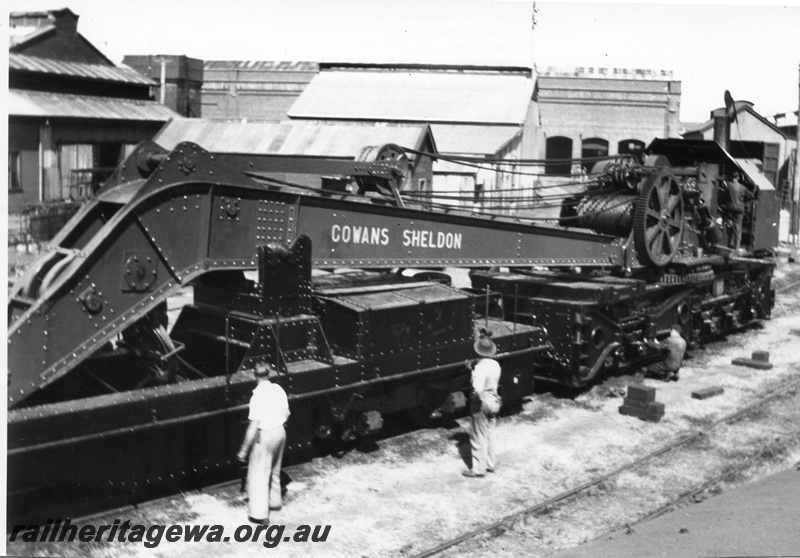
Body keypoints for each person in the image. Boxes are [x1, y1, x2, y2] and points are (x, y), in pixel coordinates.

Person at [237, 361, 290, 524]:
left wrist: (243, 451)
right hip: (280, 432)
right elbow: (287, 413)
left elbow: (253, 427)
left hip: (265, 435)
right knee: (275, 469)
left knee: (259, 474)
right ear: (270, 373)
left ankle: (259, 516)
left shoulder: (257, 396)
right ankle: (275, 502)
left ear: (255, 376)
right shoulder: (278, 389)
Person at [463, 333, 502, 478]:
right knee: (490, 433)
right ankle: (491, 464)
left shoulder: (479, 368)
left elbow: (477, 389)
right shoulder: (496, 365)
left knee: (478, 435)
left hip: (483, 400)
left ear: (477, 351)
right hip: (495, 399)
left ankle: (479, 469)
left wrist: (474, 402)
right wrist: (472, 370)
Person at [722, 172, 752, 251]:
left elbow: (723, 194)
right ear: (738, 178)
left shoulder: (728, 185)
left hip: (729, 208)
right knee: (737, 227)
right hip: (739, 209)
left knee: (727, 224)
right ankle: (737, 247)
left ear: (731, 177)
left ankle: (729, 243)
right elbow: (751, 195)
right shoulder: (743, 187)